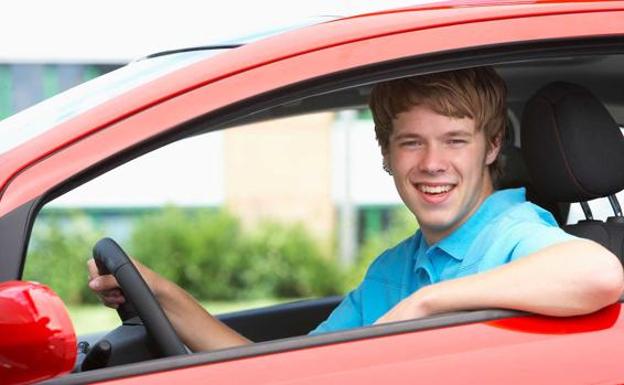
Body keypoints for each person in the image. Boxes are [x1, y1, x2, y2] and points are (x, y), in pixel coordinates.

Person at [88, 67, 624, 350]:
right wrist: (161, 293)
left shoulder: (512, 229)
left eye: (455, 141)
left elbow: (597, 273)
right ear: (386, 156)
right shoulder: (394, 267)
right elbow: (295, 370)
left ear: (490, 148)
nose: (432, 163)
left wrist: (428, 305)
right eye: (411, 142)